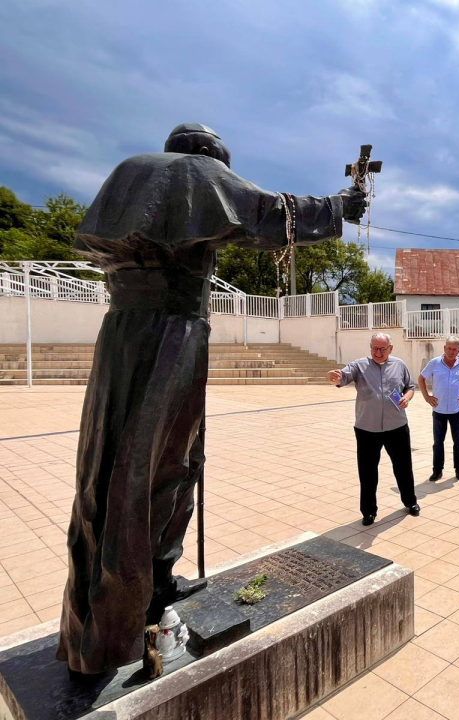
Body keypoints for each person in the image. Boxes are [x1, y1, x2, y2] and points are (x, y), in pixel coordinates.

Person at [58, 123, 367, 675]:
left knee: (110, 468)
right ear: (209, 155)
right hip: (172, 331)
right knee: (158, 467)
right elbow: (271, 212)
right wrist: (341, 205)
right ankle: (122, 617)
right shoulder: (194, 172)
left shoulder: (128, 173)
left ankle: (134, 594)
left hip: (121, 331)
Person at [328, 333, 420, 527]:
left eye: (382, 349)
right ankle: (368, 511)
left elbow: (410, 386)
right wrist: (335, 378)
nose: (377, 352)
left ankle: (410, 501)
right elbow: (342, 377)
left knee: (403, 467)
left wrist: (407, 397)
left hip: (397, 426)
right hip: (366, 428)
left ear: (390, 349)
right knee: (367, 472)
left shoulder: (400, 365)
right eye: (374, 348)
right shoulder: (359, 365)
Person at [419, 336, 459, 482]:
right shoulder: (435, 363)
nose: (451, 351)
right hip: (439, 410)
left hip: (457, 410)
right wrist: (427, 397)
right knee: (438, 443)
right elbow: (421, 378)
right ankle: (437, 471)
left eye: (454, 349)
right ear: (444, 348)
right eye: (449, 348)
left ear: (458, 350)